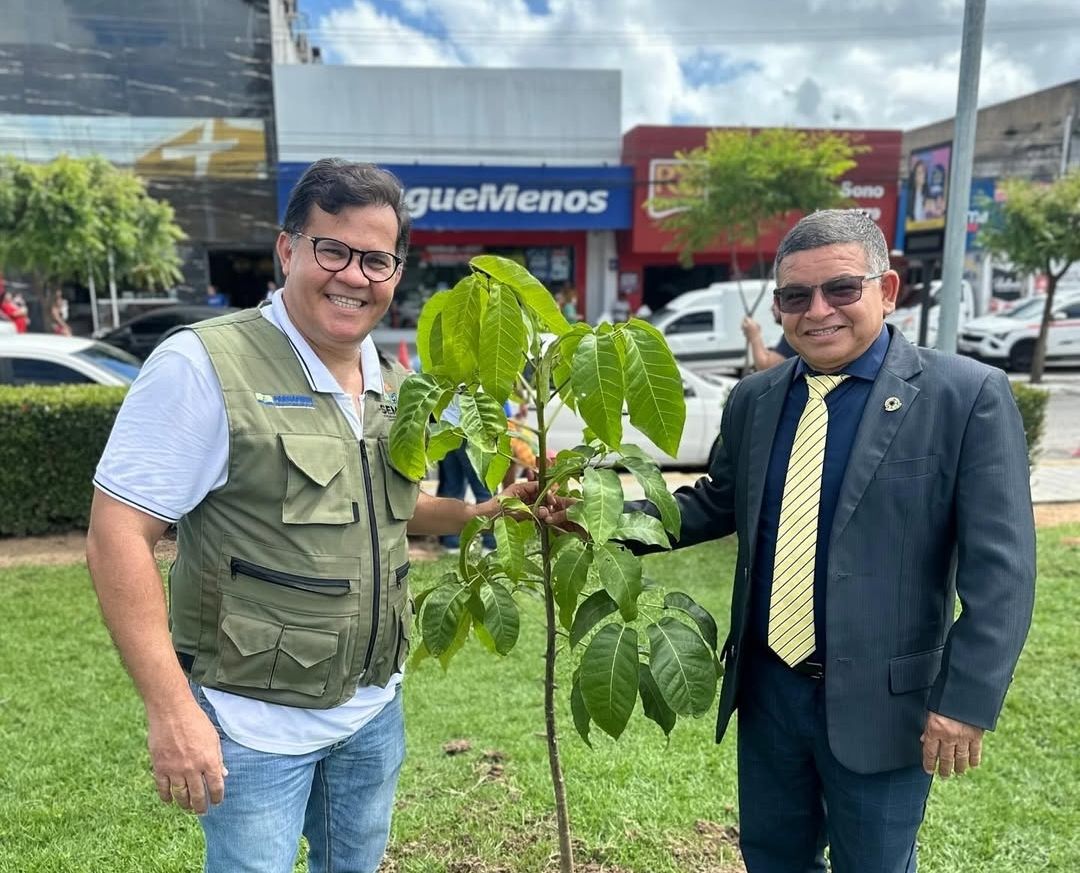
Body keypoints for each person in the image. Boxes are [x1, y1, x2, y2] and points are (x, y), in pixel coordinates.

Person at [546, 209, 1036, 873]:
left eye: (841, 289)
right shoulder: (756, 398)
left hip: (885, 704)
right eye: (795, 296)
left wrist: (965, 700)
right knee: (773, 858)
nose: (817, 311)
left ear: (886, 291)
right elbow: (714, 503)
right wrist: (594, 519)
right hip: (770, 689)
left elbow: (1001, 572)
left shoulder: (965, 396)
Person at [86, 159, 537, 873]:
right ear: (288, 249)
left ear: (396, 272)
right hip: (251, 727)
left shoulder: (382, 374)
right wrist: (171, 708)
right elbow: (117, 534)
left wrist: (484, 511)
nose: (354, 275)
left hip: (370, 715)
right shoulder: (205, 364)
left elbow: (389, 512)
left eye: (376, 259)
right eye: (333, 249)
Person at [740, 300, 796, 372]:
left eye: (775, 304)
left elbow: (767, 368)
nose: (771, 308)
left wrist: (754, 336)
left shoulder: (793, 335)